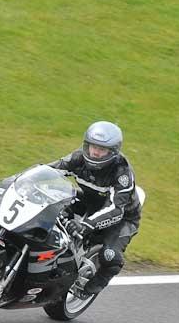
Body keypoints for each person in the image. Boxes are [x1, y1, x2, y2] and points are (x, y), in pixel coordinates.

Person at [48, 121, 142, 296]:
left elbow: (115, 209)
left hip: (122, 218)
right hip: (87, 201)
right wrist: (21, 179)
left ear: (112, 152)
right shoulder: (78, 158)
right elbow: (51, 169)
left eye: (102, 149)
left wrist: (86, 225)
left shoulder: (122, 173)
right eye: (93, 146)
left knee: (109, 255)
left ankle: (95, 284)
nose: (95, 152)